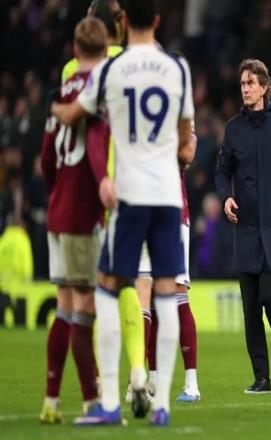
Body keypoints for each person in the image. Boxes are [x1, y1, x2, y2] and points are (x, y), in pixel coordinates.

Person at [51, 0, 195, 427]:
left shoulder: (110, 70)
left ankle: (111, 401)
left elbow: (74, 114)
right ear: (157, 21)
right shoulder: (177, 69)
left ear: (122, 22)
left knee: (108, 289)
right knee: (166, 293)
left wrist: (54, 109)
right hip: (167, 195)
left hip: (128, 196)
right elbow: (185, 141)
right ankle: (162, 403)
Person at [58, 0, 148, 419]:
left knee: (97, 293)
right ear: (121, 23)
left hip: (90, 191)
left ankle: (100, 386)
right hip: (134, 184)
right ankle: (138, 371)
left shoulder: (73, 70)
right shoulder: (134, 64)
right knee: (127, 283)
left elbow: (69, 130)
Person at [215, 59, 271, 394]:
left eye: (251, 83)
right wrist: (226, 197)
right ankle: (262, 377)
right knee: (250, 308)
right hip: (245, 228)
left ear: (265, 87)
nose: (246, 89)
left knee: (270, 296)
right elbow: (221, 171)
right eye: (242, 84)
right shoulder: (233, 128)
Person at [39, 16, 108, 424]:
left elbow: (45, 159)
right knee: (84, 309)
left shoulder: (60, 94)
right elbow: (98, 149)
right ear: (105, 51)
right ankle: (90, 400)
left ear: (76, 50)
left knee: (64, 307)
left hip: (57, 211)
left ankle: (51, 401)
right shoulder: (97, 94)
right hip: (82, 214)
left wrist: (56, 192)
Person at [131, 126, 200, 404]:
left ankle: (191, 384)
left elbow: (189, 151)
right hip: (141, 209)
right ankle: (150, 380)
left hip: (173, 212)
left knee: (177, 292)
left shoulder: (176, 105)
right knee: (147, 296)